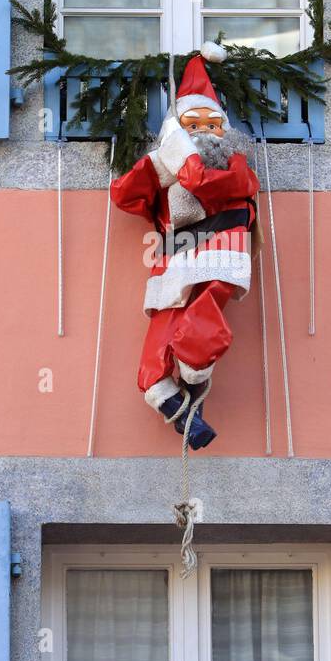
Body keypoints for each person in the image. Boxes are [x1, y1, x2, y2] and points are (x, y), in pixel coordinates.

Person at [111, 44, 260, 449]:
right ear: (176, 128)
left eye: (213, 124)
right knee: (153, 358)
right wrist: (164, 160)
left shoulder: (235, 163)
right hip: (173, 261)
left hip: (219, 253)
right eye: (191, 123)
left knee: (202, 327)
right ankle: (184, 415)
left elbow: (207, 183)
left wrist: (186, 160)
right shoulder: (168, 167)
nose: (204, 131)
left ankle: (195, 379)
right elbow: (124, 194)